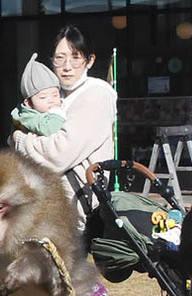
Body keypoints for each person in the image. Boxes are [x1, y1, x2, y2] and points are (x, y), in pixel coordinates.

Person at [11, 25, 116, 218]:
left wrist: (21, 141)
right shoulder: (55, 96)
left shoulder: (96, 94)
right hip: (46, 206)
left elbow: (59, 153)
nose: (67, 66)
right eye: (60, 58)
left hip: (73, 212)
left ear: (89, 61)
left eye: (76, 57)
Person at [10, 53, 66, 138]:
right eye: (43, 97)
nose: (51, 100)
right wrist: (57, 113)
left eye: (55, 95)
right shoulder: (27, 117)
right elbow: (51, 129)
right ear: (29, 103)